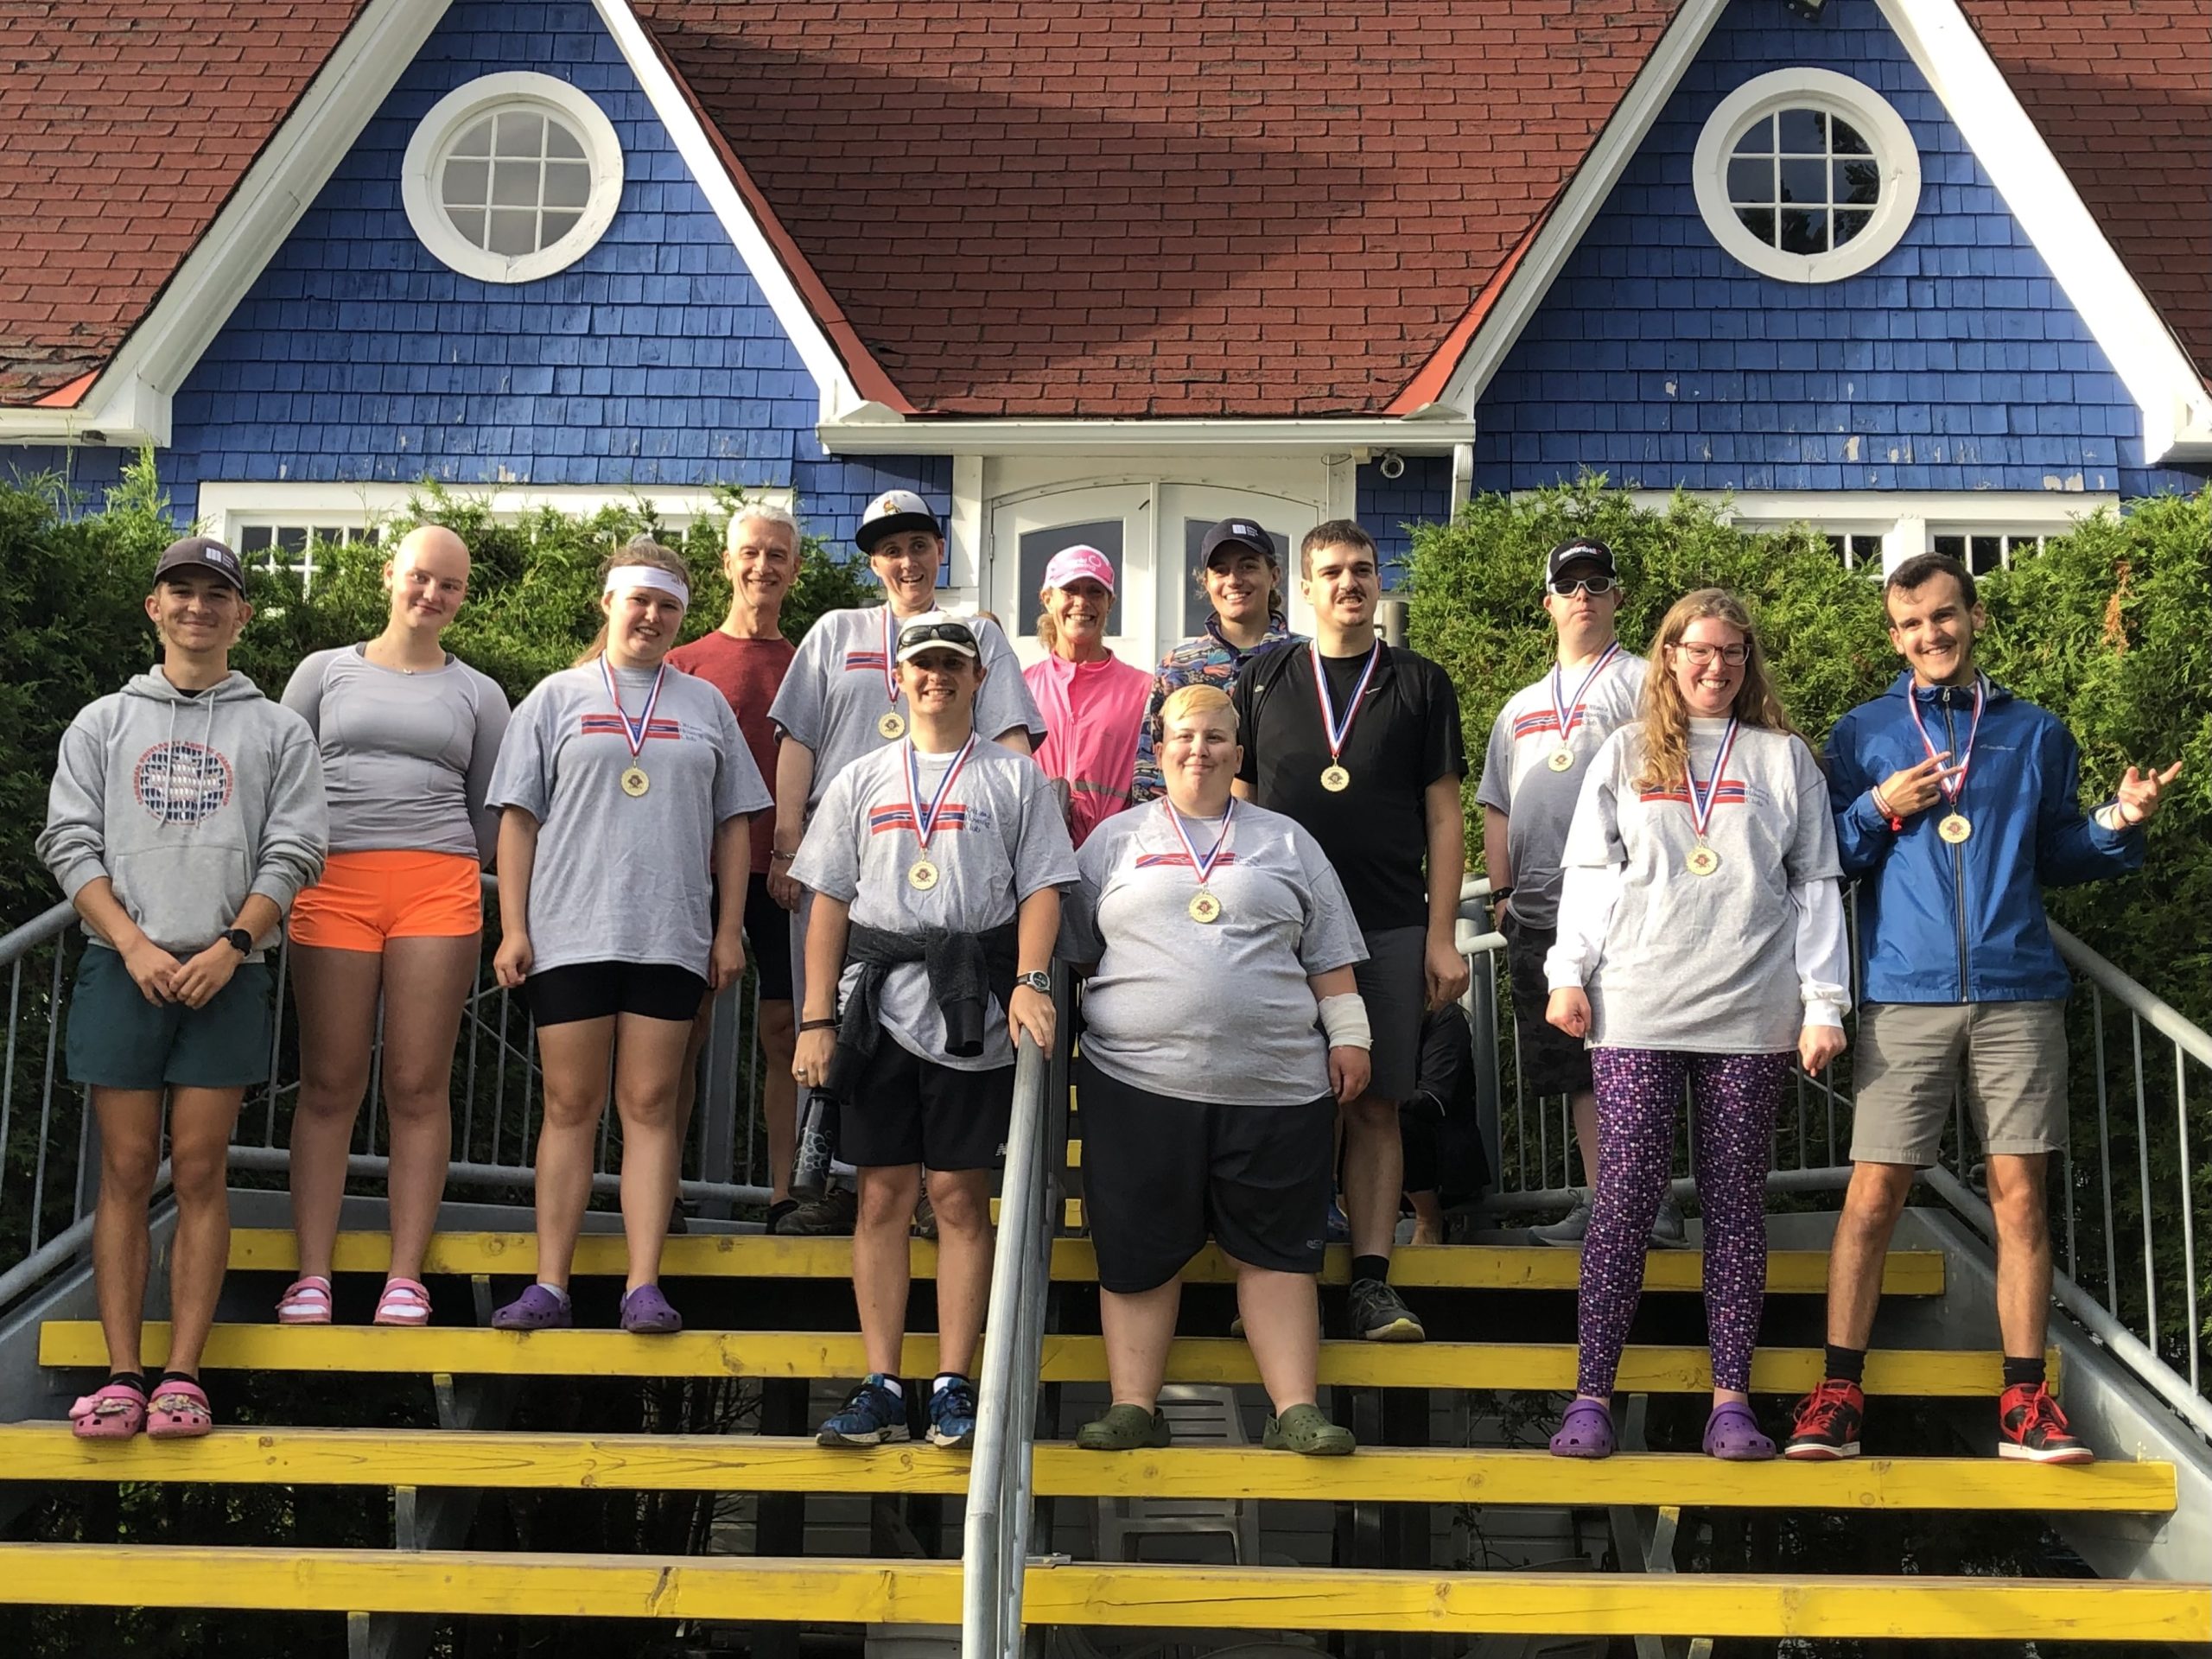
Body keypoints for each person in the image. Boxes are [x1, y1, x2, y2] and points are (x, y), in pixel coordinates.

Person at [1786, 552, 2181, 1466]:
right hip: (1904, 992)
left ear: (1973, 616)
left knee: (2020, 1197)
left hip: (2017, 992)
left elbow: (2060, 851)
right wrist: (1878, 806)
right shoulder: (1863, 732)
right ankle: (1838, 1394)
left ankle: (2024, 1403)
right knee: (1872, 1197)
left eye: (1943, 615)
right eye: (1911, 623)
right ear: (1894, 638)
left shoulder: (2035, 731)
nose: (1930, 634)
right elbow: (1824, 857)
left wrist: (2118, 822)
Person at [1542, 588, 1848, 1462]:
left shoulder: (1783, 758)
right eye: (1700, 650)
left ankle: (1731, 1402)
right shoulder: (1626, 751)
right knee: (1625, 1197)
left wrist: (1823, 1002)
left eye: (1732, 652)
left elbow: (1815, 886)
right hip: (1638, 1005)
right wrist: (1567, 973)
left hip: (1751, 1011)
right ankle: (1591, 1396)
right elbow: (1590, 875)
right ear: (1670, 656)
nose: (1716, 667)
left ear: (1749, 663)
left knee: (1734, 1204)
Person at [40, 536, 327, 1439]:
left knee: (201, 1167)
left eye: (216, 594)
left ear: (242, 614)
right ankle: (122, 1373)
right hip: (123, 965)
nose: (198, 607)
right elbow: (68, 842)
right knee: (127, 1169)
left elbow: (296, 849)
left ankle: (183, 1377)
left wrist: (233, 944)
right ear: (154, 608)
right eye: (182, 591)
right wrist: (131, 945)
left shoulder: (277, 730)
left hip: (227, 972)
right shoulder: (102, 722)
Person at [790, 613, 1075, 1450]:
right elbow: (828, 905)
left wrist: (1028, 980)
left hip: (970, 1010)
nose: (936, 677)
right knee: (880, 1194)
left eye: (953, 664)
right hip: (875, 1011)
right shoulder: (860, 778)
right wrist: (814, 1019)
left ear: (979, 678)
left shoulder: (1014, 778)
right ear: (898, 679)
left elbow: (1043, 888)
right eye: (922, 665)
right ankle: (882, 1382)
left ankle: (953, 1381)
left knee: (955, 1193)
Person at [1063, 685, 1368, 1455]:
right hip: (1137, 1083)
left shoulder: (1288, 841)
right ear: (1159, 749)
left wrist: (1351, 1039)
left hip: (1276, 1087)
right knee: (1136, 1251)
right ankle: (1135, 1406)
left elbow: (1330, 954)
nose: (1198, 749)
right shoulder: (1112, 842)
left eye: (1215, 738)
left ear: (1238, 752)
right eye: (1183, 736)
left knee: (1276, 1254)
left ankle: (1294, 1409)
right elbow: (1078, 955)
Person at [485, 540, 771, 1334]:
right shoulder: (556, 697)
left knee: (650, 1104)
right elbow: (518, 819)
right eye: (639, 600)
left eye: (668, 605)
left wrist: (728, 931)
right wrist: (513, 928)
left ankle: (644, 1285)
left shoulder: (704, 704)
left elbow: (735, 824)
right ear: (608, 602)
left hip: (669, 935)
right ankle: (551, 1283)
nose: (651, 616)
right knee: (569, 1104)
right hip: (569, 932)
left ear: (682, 615)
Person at [767, 490, 1045, 1234]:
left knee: (939, 1028)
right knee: (829, 1018)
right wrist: (787, 844)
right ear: (873, 562)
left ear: (939, 552)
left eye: (919, 545)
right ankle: (829, 1181)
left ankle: (930, 1192)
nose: (907, 561)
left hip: (953, 855)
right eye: (891, 549)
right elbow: (798, 739)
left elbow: (1011, 740)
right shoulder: (835, 631)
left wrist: (1020, 840)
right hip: (847, 858)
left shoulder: (975, 636)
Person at [1231, 519, 1469, 1343]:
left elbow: (1445, 818)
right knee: (1289, 1106)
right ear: (1303, 587)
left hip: (1388, 925)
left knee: (1375, 1104)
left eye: (1362, 569)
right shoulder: (1263, 678)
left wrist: (1442, 936)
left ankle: (1372, 1283)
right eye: (1330, 571)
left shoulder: (1420, 681)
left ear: (1378, 582)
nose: (1348, 583)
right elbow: (1238, 806)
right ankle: (1281, 1282)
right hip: (1279, 936)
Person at [276, 524, 510, 1328]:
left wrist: (445, 862)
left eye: (450, 584)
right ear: (389, 575)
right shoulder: (323, 672)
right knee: (330, 1082)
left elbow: (490, 812)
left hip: (437, 888)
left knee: (417, 1083)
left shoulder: (480, 693)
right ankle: (312, 1274)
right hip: (332, 882)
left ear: (462, 596)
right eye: (420, 576)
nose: (431, 593)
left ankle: (405, 1277)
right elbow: (282, 780)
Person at [1472, 537, 1681, 1250]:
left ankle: (1653, 1204)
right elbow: (1496, 806)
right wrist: (1503, 895)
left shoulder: (1646, 682)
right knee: (1575, 1067)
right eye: (1569, 586)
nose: (1583, 596)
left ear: (1618, 598)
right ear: (1549, 604)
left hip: (1623, 905)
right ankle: (1606, 1201)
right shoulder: (1520, 707)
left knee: (1633, 1053)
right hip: (1538, 913)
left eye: (1597, 583)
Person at [667, 504, 802, 1229]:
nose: (762, 566)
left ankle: (787, 1196)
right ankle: (662, 1188)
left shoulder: (809, 666)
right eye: (750, 552)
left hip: (782, 873)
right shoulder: (682, 664)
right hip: (697, 871)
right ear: (727, 563)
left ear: (795, 570)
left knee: (787, 1034)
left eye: (777, 554)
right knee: (679, 1030)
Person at [1131, 517, 1298, 805]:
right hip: (1194, 828)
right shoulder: (1179, 666)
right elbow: (1152, 767)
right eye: (1221, 570)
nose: (1234, 580)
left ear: (1274, 576)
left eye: (1248, 566)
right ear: (1206, 582)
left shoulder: (1303, 659)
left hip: (1287, 823)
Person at [1023, 544, 1150, 846]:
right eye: (1070, 590)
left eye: (1095, 591)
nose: (1082, 602)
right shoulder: (1022, 686)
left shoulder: (1145, 689)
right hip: (1036, 853)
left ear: (1110, 602)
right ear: (1048, 599)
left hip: (1116, 854)